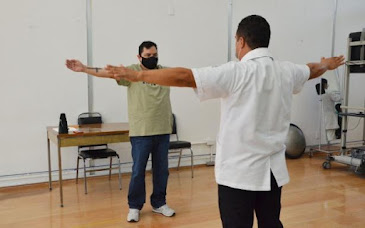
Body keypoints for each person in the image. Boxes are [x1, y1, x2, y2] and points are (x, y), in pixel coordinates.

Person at [105, 15, 344, 228]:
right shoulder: (287, 71)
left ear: (240, 41)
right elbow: (311, 69)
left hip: (239, 175)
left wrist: (138, 74)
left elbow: (185, 77)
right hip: (272, 173)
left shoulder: (235, 72)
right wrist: (327, 64)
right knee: (271, 223)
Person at [65, 41, 175, 223]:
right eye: (148, 56)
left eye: (155, 55)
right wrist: (84, 68)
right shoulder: (131, 72)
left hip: (163, 130)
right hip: (141, 132)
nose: (152, 58)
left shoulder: (164, 72)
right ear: (139, 57)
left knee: (162, 171)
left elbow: (184, 76)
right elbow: (108, 73)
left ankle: (159, 203)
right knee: (138, 171)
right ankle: (134, 206)